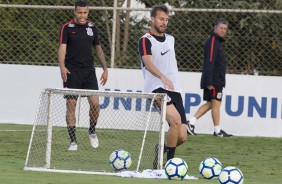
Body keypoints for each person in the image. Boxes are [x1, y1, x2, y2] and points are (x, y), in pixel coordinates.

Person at [138, 5, 188, 168]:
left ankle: (162, 149)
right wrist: (162, 77)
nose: (164, 22)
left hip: (175, 90)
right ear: (152, 19)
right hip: (157, 89)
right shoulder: (145, 40)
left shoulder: (171, 39)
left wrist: (169, 79)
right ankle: (169, 165)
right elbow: (148, 63)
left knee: (181, 136)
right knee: (174, 121)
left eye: (166, 19)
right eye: (161, 19)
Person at [58, 0, 108, 151]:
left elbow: (98, 49)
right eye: (79, 12)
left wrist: (105, 68)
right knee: (71, 106)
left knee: (95, 104)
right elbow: (62, 49)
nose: (82, 15)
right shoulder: (67, 28)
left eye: (85, 12)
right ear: (75, 12)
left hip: (89, 72)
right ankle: (73, 141)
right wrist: (62, 67)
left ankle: (92, 131)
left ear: (88, 12)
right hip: (72, 72)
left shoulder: (92, 27)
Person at [186, 18, 232, 137]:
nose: (223, 31)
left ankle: (191, 122)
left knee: (212, 104)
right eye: (221, 28)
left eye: (225, 29)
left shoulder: (218, 42)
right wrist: (209, 81)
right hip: (214, 80)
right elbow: (209, 62)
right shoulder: (212, 42)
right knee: (216, 104)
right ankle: (217, 131)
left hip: (218, 80)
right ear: (215, 28)